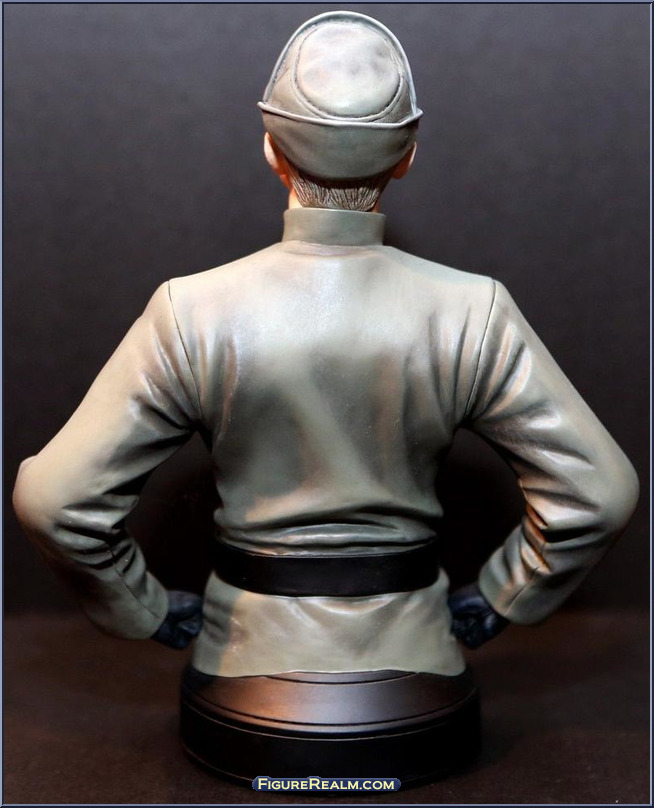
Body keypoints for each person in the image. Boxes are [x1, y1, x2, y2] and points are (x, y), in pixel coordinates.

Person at [13, 10, 638, 780]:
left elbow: (55, 500)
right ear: (407, 157)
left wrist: (141, 608)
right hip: (419, 657)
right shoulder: (471, 311)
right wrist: (504, 595)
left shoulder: (192, 312)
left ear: (271, 150)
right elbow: (599, 492)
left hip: (244, 658)